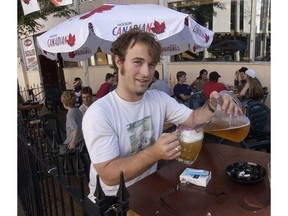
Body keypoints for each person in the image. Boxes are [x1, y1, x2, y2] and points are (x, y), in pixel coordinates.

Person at [82, 30, 241, 200]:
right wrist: (154, 153)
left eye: (151, 65)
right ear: (119, 61)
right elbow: (109, 175)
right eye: (138, 62)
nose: (146, 73)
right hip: (113, 202)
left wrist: (212, 105)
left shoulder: (158, 99)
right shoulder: (99, 113)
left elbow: (194, 119)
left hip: (149, 189)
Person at [60, 90, 91, 179]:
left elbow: (75, 128)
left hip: (75, 141)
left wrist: (73, 142)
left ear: (64, 103)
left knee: (61, 152)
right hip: (82, 139)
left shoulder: (70, 113)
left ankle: (67, 174)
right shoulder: (77, 110)